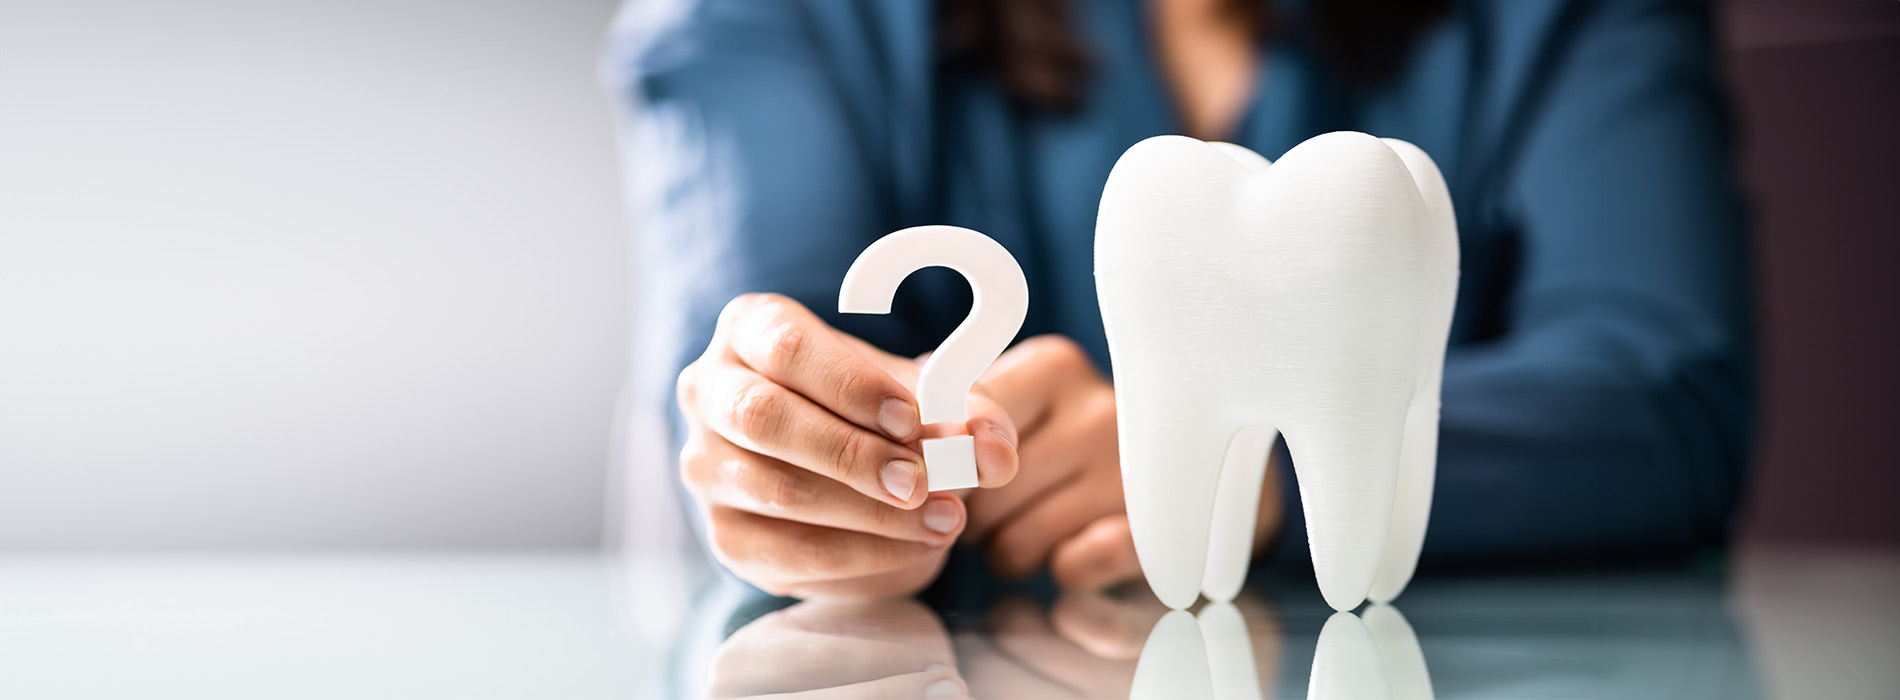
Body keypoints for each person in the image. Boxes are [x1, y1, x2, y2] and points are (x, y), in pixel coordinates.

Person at [610, 0, 1753, 599]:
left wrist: (1248, 461)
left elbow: (1664, 383)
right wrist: (819, 470)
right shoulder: (773, 15)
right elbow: (765, 356)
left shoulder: (1564, 14)